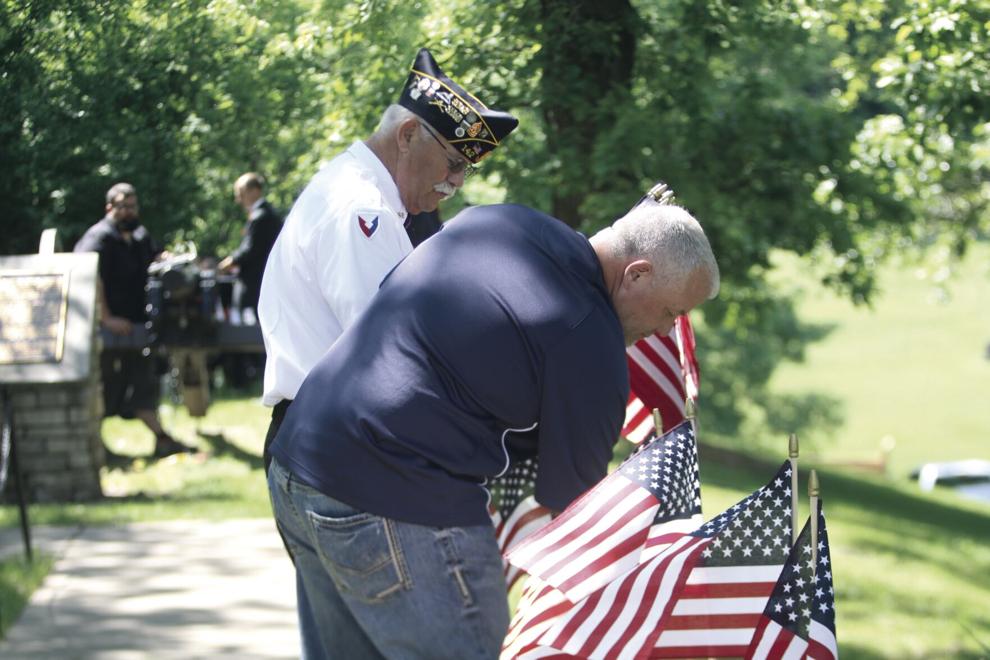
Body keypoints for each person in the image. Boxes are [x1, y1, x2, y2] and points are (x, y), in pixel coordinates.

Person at [267, 197, 721, 658]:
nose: (668, 332)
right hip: (394, 493)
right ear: (637, 274)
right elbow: (576, 509)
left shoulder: (497, 219)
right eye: (671, 312)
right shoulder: (590, 335)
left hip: (297, 459)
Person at [257, 47, 518, 473]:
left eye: (465, 170)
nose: (454, 183)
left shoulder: (352, 190)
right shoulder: (366, 212)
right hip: (340, 441)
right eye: (454, 163)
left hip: (325, 433)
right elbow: (392, 357)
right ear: (407, 134)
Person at [74, 182, 196, 459]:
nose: (129, 211)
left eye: (132, 206)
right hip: (109, 330)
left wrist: (165, 259)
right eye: (122, 206)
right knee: (105, 389)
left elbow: (153, 259)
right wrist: (106, 318)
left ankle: (162, 440)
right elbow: (89, 278)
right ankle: (96, 448)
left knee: (144, 382)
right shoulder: (99, 238)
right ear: (110, 208)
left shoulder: (139, 236)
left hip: (138, 328)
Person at [218, 172, 283, 323]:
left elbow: (250, 250)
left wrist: (229, 261)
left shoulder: (261, 216)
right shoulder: (267, 214)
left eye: (241, 193)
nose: (238, 199)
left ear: (255, 191)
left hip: (256, 285)